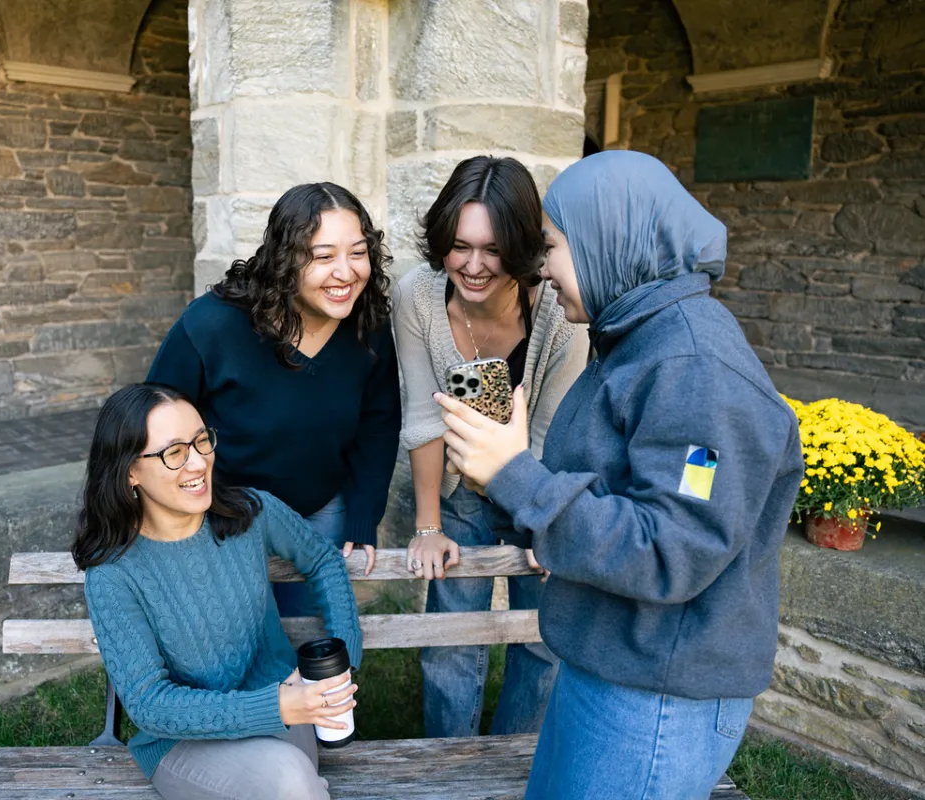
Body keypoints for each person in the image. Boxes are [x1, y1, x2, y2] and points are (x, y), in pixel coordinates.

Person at [435, 150, 804, 800]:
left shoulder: (695, 370)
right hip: (607, 666)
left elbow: (670, 550)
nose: (543, 268)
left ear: (611, 239)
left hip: (653, 698)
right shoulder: (633, 340)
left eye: (552, 246)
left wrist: (514, 474)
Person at [73, 384, 362, 800]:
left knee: (291, 778)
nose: (198, 462)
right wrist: (276, 707)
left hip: (283, 706)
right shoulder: (114, 575)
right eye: (174, 453)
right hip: (185, 741)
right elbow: (150, 704)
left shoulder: (251, 513)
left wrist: (343, 657)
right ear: (129, 471)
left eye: (201, 441)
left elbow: (322, 559)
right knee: (293, 781)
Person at [391, 156, 587, 738]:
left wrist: (550, 529)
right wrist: (429, 526)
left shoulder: (559, 310)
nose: (473, 267)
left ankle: (516, 759)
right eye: (459, 246)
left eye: (493, 250)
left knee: (543, 638)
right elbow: (423, 418)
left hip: (540, 483)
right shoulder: (417, 298)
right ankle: (446, 763)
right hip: (461, 492)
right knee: (451, 640)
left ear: (524, 246)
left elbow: (555, 430)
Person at [146, 183, 401, 615]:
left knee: (308, 639)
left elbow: (379, 423)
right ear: (286, 259)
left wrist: (363, 515)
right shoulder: (213, 324)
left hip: (319, 514)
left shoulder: (368, 324)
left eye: (358, 253)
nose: (346, 272)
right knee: (232, 645)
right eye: (323, 256)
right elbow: (151, 420)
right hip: (220, 516)